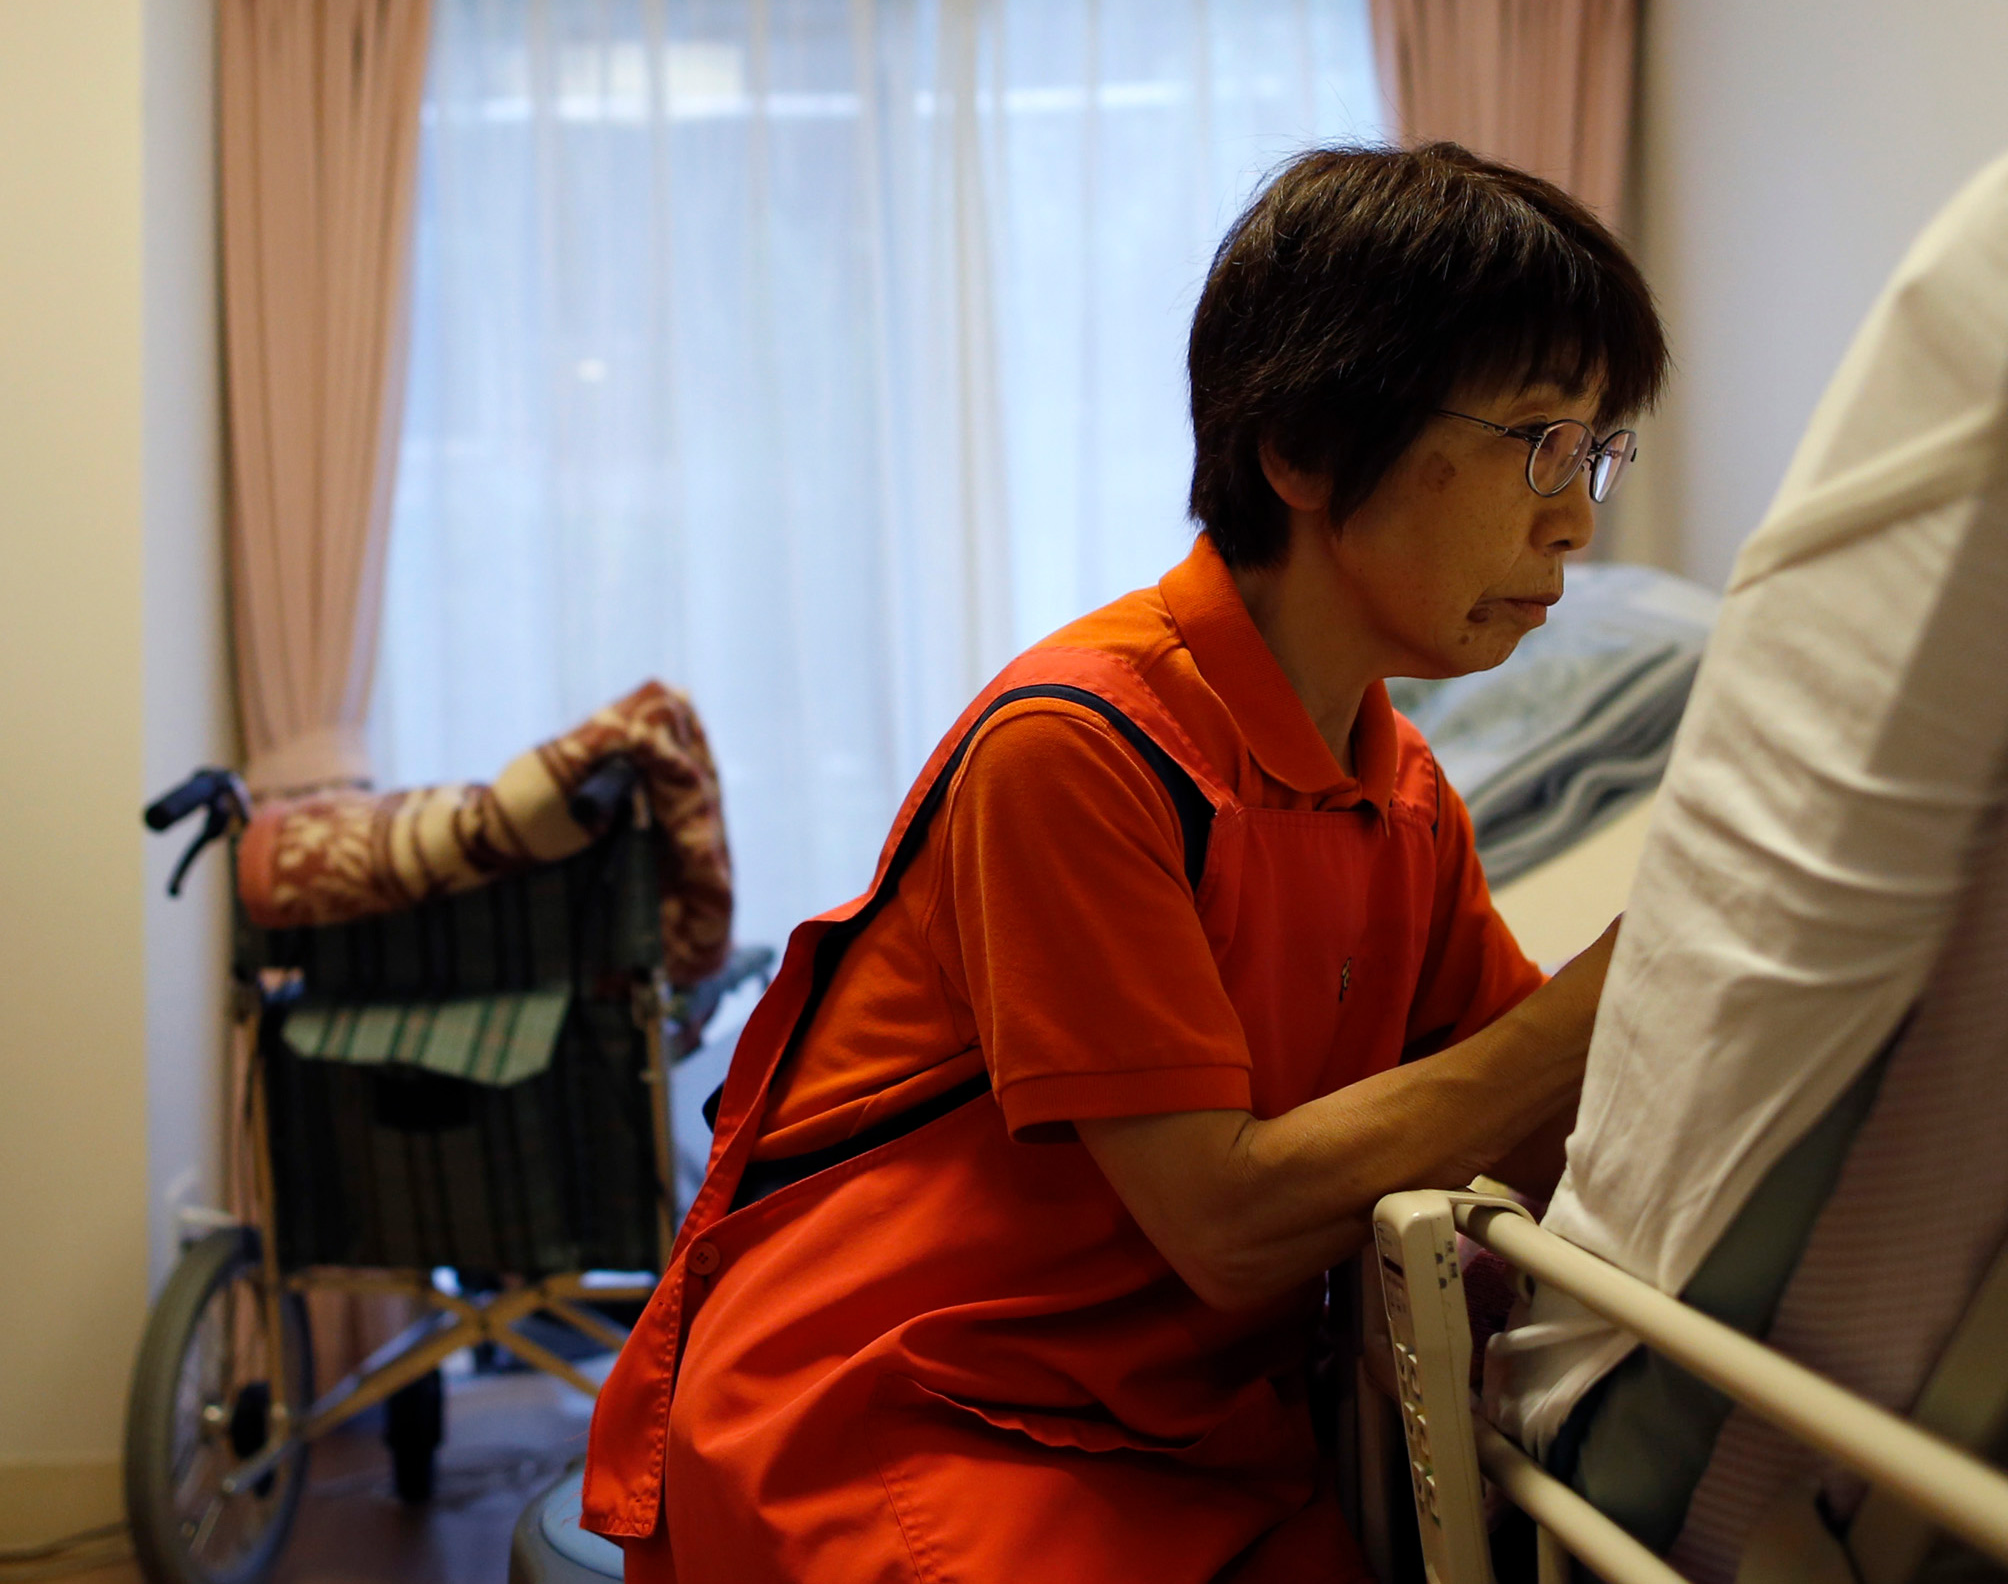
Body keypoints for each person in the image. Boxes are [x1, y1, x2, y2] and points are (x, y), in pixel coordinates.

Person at [581, 142, 1670, 1583]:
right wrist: (1623, 989)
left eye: (1594, 451)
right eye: (1538, 440)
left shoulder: (1398, 789)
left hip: (1184, 1434)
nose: (1576, 517)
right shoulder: (1083, 747)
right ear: (1305, 447)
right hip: (904, 1406)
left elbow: (1524, 1127)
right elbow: (1227, 1222)